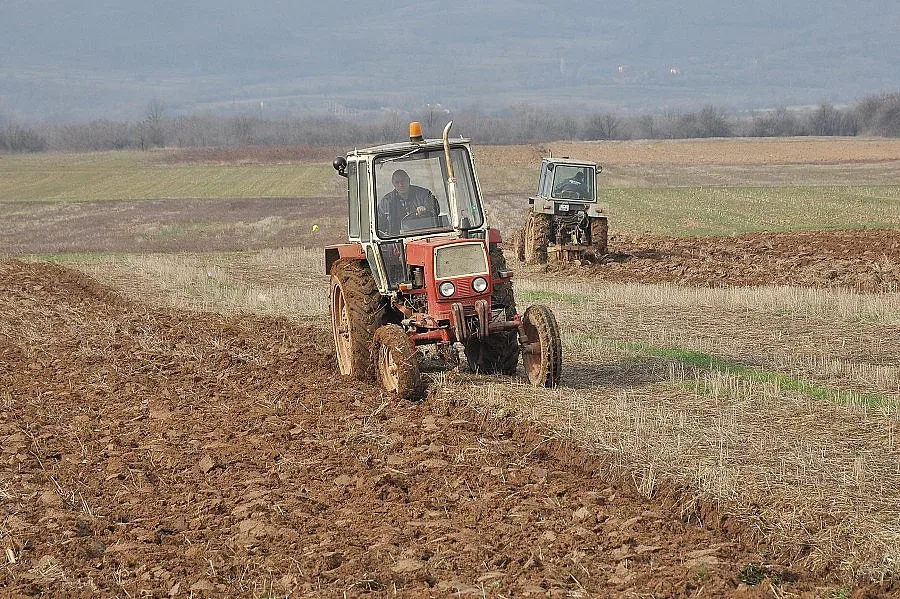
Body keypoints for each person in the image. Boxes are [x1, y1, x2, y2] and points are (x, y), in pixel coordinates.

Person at [378, 169, 442, 235]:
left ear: (408, 180)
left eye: (403, 181)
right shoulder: (385, 202)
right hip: (397, 237)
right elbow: (380, 227)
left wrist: (426, 209)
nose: (401, 185)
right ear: (393, 183)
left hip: (424, 234)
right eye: (397, 182)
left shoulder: (424, 194)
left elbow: (435, 209)